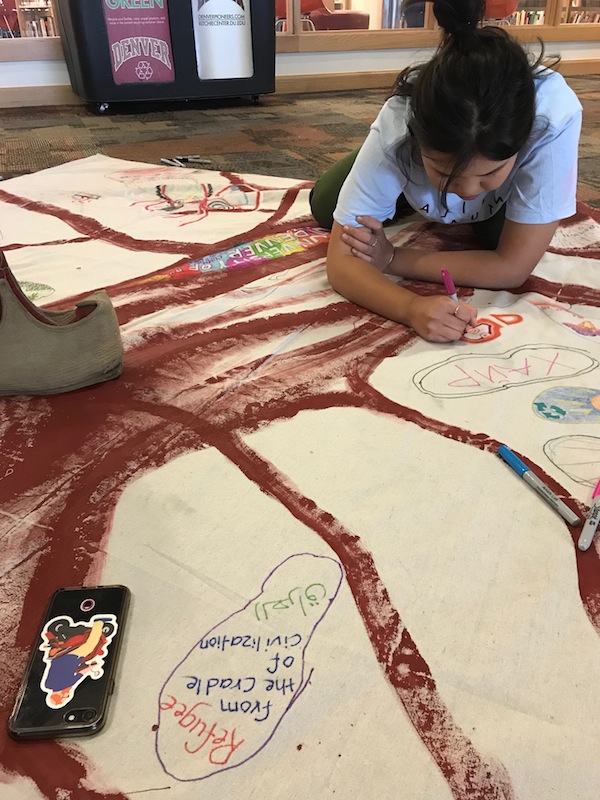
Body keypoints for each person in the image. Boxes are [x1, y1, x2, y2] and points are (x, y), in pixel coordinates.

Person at [310, 0, 582, 343]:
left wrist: (391, 257)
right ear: (416, 142)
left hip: (496, 199)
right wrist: (410, 307)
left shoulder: (552, 119)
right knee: (325, 206)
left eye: (489, 173)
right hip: (404, 156)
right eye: (444, 172)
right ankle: (396, 179)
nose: (467, 191)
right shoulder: (398, 126)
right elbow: (341, 262)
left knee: (496, 240)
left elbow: (512, 268)